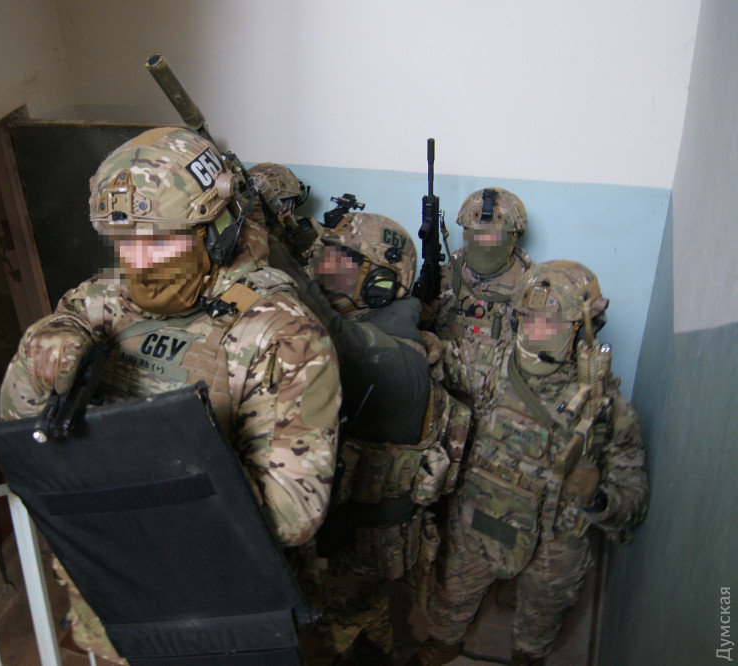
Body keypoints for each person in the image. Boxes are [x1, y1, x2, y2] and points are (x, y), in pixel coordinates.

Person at [0, 128, 341, 662]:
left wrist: (157, 467)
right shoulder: (101, 298)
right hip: (110, 598)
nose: (139, 263)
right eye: (125, 243)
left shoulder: (283, 335)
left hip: (213, 609)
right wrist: (40, 352)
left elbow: (294, 514)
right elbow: (22, 431)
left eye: (159, 241)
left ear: (216, 232)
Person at [411, 260, 649, 666]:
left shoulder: (606, 409)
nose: (534, 331)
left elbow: (634, 502)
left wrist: (596, 497)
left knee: (543, 615)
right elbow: (436, 355)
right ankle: (444, 641)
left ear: (583, 330)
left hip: (554, 540)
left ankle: (528, 654)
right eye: (526, 317)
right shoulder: (491, 365)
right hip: (482, 517)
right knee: (451, 594)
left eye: (551, 322)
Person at [270, 209, 464, 665]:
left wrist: (265, 248)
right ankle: (377, 642)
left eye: (339, 265)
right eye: (323, 258)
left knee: (324, 638)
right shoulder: (372, 328)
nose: (322, 270)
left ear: (380, 283)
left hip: (365, 540)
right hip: (344, 518)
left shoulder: (397, 357)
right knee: (367, 615)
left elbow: (332, 334)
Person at [432, 187, 534, 412]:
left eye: (494, 236)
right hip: (445, 399)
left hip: (498, 405)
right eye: (479, 234)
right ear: (465, 234)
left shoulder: (531, 290)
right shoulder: (444, 277)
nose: (486, 243)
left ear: (514, 237)